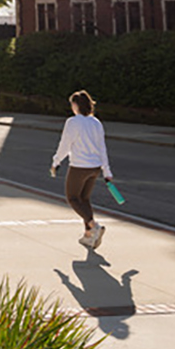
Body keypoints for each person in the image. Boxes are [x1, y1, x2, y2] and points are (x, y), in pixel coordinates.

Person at [49, 89, 113, 250]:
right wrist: (107, 171)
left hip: (79, 167)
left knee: (72, 198)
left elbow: (65, 145)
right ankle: (88, 235)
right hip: (95, 168)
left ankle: (94, 226)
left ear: (76, 105)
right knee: (84, 199)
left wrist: (56, 162)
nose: (71, 107)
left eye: (72, 104)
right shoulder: (96, 123)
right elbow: (102, 148)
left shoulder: (73, 122)